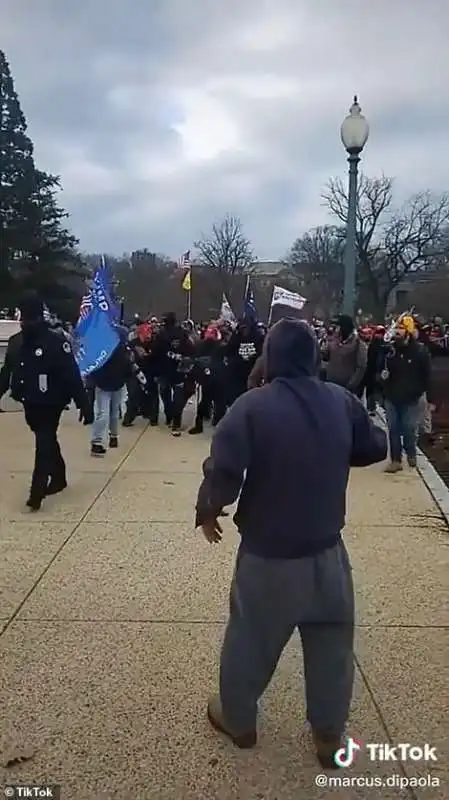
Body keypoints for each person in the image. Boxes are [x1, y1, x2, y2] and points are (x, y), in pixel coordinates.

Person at [195, 318, 387, 769]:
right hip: (328, 554)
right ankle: (328, 735)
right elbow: (373, 447)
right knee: (332, 649)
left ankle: (239, 721)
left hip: (269, 559)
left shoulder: (251, 408)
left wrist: (208, 510)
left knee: (250, 641)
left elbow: (224, 469)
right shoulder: (340, 401)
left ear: (272, 356)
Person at [0, 292, 87, 510]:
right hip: (28, 400)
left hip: (52, 401)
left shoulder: (56, 342)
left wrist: (83, 403)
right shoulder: (15, 343)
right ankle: (59, 475)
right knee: (46, 439)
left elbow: (71, 374)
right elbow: (6, 373)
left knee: (44, 441)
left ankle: (36, 492)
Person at [381, 315, 433, 472]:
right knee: (393, 428)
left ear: (408, 332)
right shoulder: (390, 351)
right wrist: (382, 378)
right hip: (392, 396)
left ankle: (410, 451)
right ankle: (395, 460)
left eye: (401, 328)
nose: (397, 331)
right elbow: (380, 371)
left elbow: (427, 376)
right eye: (397, 328)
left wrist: (429, 397)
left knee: (409, 428)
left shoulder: (420, 352)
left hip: (411, 398)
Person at [90, 332, 134, 456]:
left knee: (108, 414)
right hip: (110, 384)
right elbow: (128, 366)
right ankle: (104, 439)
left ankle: (106, 438)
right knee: (108, 414)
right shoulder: (120, 350)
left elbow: (94, 367)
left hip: (109, 385)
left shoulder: (105, 350)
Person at [323, 314, 367, 396]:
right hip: (328, 385)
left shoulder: (359, 345)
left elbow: (361, 368)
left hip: (344, 390)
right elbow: (326, 358)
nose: (335, 329)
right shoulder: (333, 340)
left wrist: (350, 386)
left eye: (338, 327)